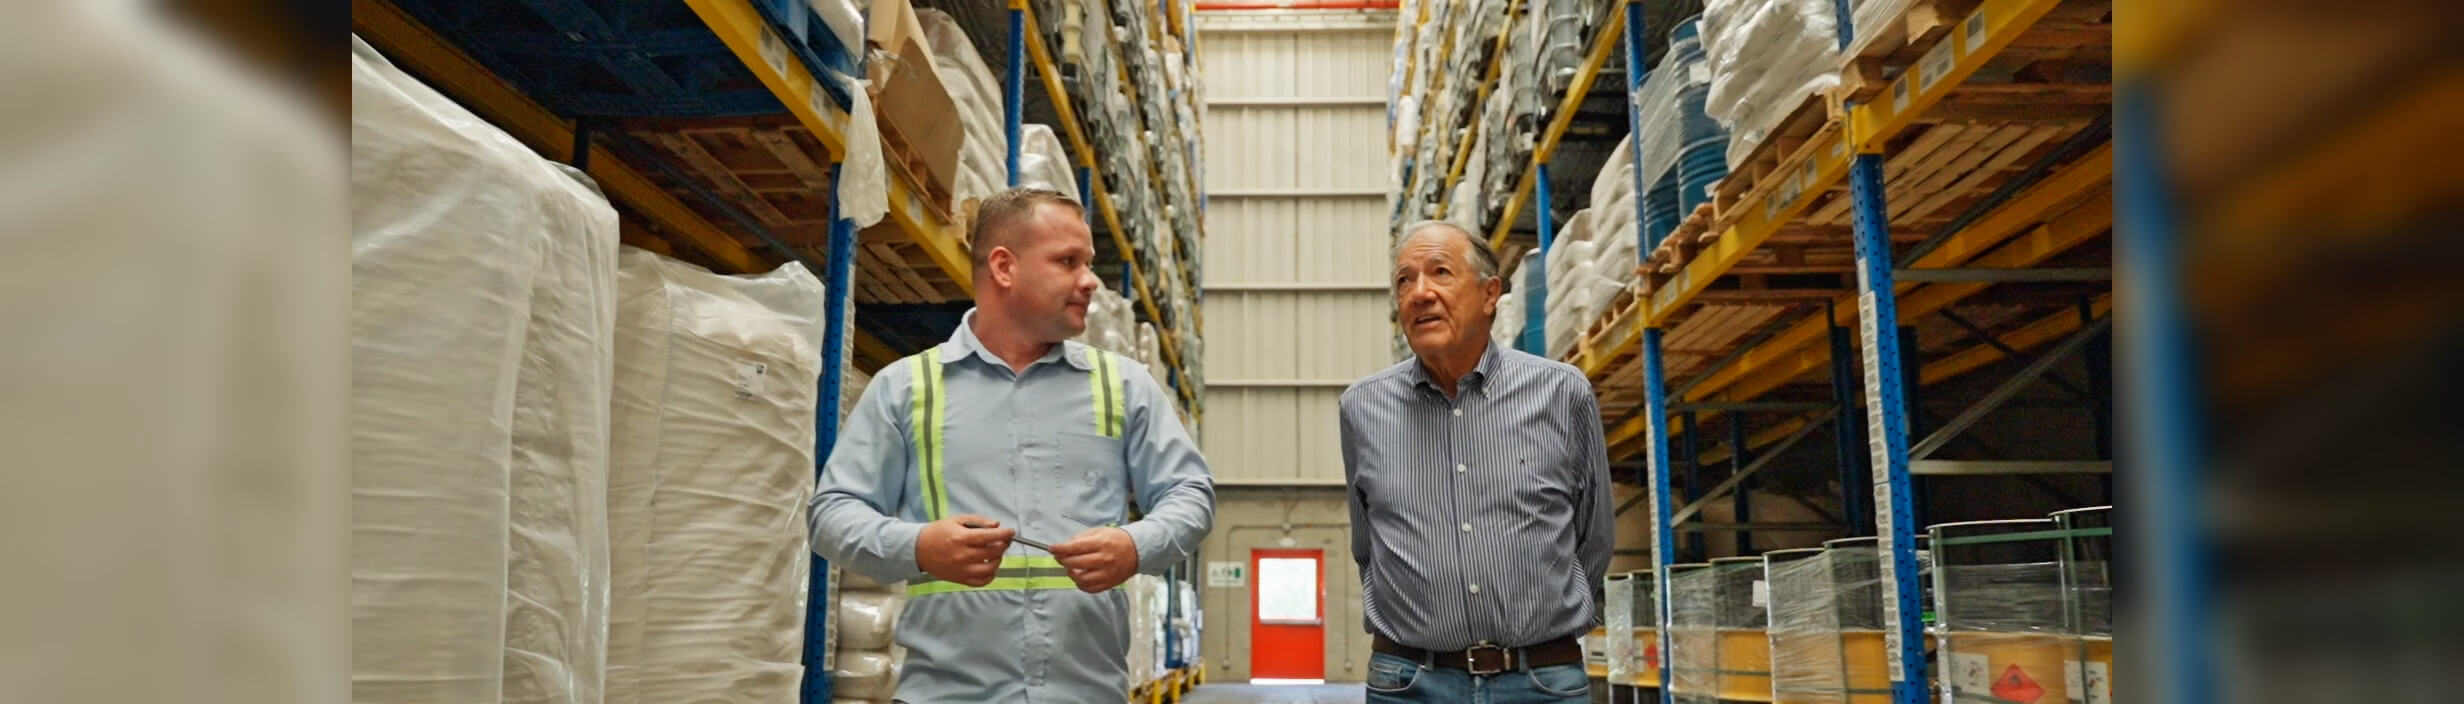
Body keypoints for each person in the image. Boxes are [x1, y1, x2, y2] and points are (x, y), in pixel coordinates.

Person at [810, 188, 1216, 703]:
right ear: (1004, 267)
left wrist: (1136, 545)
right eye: (1068, 262)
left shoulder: (1124, 386)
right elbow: (831, 515)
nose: (1090, 280)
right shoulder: (907, 389)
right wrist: (919, 547)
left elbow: (1192, 493)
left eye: (1088, 262)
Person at [1337, 220, 1614, 702]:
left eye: (1439, 272)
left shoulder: (1562, 393)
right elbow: (1368, 547)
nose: (1419, 293)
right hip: (1410, 682)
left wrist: (1540, 620)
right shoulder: (1362, 407)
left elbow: (1593, 536)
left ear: (1490, 295)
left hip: (1540, 681)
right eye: (1405, 280)